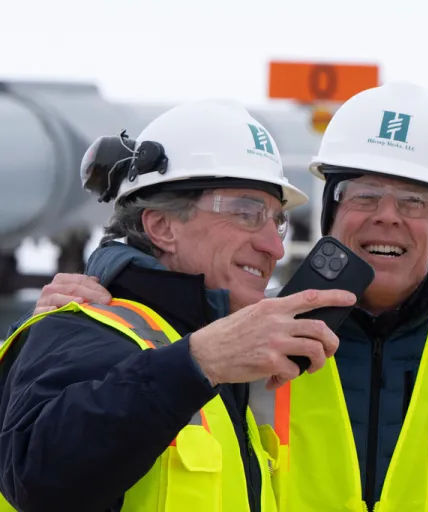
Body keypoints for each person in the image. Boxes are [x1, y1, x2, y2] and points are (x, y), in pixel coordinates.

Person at [22, 82, 428, 511]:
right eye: (364, 195)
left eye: (415, 201)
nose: (388, 216)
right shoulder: (239, 334)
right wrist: (92, 304)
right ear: (329, 219)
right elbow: (46, 465)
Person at [0, 99, 357, 512]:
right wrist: (197, 363)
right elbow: (36, 478)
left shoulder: (217, 350)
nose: (275, 247)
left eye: (276, 220)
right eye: (246, 213)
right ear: (161, 226)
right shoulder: (82, 328)